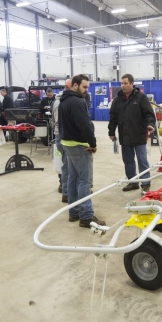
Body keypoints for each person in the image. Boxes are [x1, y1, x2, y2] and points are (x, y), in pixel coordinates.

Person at [59, 74, 105, 228]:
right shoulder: (77, 102)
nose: (87, 90)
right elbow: (84, 125)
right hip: (79, 145)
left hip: (67, 143)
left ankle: (74, 212)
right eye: (84, 87)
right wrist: (93, 143)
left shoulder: (64, 101)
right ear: (74, 86)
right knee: (84, 180)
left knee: (73, 178)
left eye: (88, 87)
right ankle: (86, 216)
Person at [108, 73, 155, 193]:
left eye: (125, 83)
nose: (123, 86)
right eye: (122, 83)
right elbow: (113, 117)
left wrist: (150, 124)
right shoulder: (117, 100)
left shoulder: (141, 97)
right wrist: (111, 132)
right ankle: (132, 182)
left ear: (132, 84)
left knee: (142, 160)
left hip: (139, 135)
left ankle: (145, 183)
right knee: (128, 161)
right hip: (125, 136)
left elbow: (149, 114)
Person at [51, 79, 72, 202]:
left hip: (63, 136)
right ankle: (66, 192)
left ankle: (67, 190)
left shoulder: (63, 100)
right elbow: (58, 123)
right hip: (62, 136)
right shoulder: (59, 102)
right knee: (67, 166)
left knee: (68, 165)